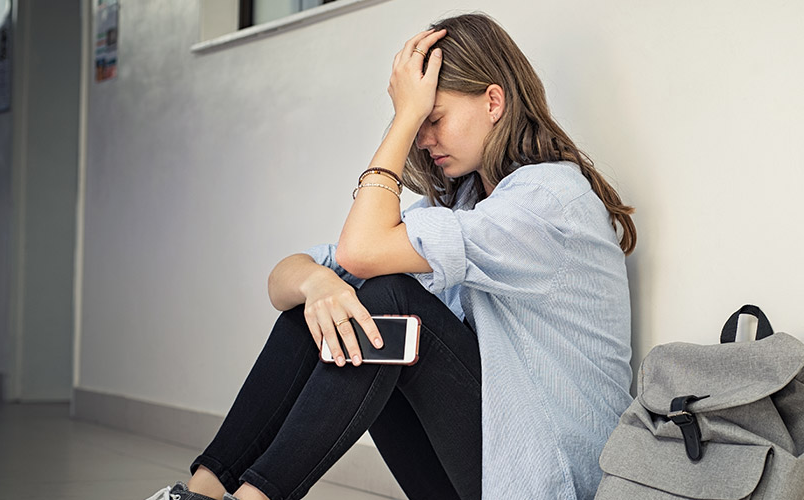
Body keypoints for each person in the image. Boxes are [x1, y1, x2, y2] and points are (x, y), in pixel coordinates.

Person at [145, 12, 636, 500]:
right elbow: (285, 279)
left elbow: (361, 254)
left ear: (493, 101)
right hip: (490, 464)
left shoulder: (545, 201)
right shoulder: (464, 205)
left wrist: (403, 117)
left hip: (545, 477)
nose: (424, 139)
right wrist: (318, 286)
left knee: (387, 296)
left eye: (433, 119)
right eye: (418, 124)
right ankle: (202, 492)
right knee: (322, 304)